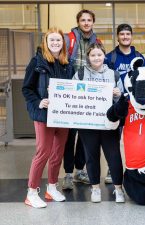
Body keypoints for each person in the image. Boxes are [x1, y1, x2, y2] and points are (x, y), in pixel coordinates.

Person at [22, 27, 73, 208]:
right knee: (43, 152)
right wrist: (39, 102)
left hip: (62, 116)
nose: (55, 43)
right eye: (52, 40)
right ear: (46, 42)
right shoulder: (37, 62)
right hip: (44, 115)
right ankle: (31, 192)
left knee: (57, 153)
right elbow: (26, 89)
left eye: (58, 40)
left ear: (63, 43)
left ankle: (51, 188)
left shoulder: (68, 63)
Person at [73, 42, 125, 203]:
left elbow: (121, 101)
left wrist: (118, 94)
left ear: (104, 56)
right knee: (91, 156)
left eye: (99, 55)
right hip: (88, 124)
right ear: (88, 57)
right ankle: (95, 188)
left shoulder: (113, 74)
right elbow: (72, 95)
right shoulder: (80, 74)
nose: (96, 58)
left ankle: (118, 188)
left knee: (114, 156)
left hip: (109, 124)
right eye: (93, 55)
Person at [62, 9, 100, 189]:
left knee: (85, 137)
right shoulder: (68, 39)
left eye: (89, 20)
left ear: (93, 22)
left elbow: (100, 64)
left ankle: (79, 170)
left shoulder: (97, 42)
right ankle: (68, 174)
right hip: (71, 92)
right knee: (69, 136)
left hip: (88, 95)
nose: (86, 23)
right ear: (78, 22)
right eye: (83, 20)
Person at [104, 23, 145, 184]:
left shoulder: (139, 57)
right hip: (117, 104)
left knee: (135, 137)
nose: (125, 37)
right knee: (113, 138)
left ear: (131, 36)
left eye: (128, 34)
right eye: (122, 34)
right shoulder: (110, 57)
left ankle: (135, 166)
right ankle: (111, 168)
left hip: (135, 105)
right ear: (118, 37)